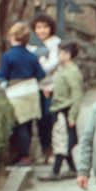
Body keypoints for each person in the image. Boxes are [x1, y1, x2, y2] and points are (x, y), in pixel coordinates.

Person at [0, 21, 47, 165]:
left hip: (16, 92)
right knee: (28, 125)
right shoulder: (32, 56)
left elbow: (2, 75)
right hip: (31, 91)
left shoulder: (8, 56)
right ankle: (25, 155)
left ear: (13, 37)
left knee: (19, 125)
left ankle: (23, 156)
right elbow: (41, 74)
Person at [44, 39, 85, 178]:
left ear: (68, 55)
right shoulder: (63, 69)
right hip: (58, 108)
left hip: (65, 110)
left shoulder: (72, 72)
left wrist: (73, 116)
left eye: (60, 53)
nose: (58, 56)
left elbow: (77, 95)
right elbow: (62, 87)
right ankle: (72, 169)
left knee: (61, 140)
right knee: (64, 140)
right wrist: (52, 90)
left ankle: (55, 171)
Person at [32, 12, 62, 161]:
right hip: (35, 86)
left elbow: (54, 63)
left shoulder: (55, 43)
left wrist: (39, 68)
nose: (42, 30)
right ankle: (43, 150)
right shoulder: (31, 44)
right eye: (38, 27)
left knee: (49, 118)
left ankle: (51, 150)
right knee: (38, 120)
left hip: (50, 86)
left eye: (45, 27)